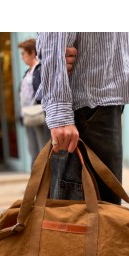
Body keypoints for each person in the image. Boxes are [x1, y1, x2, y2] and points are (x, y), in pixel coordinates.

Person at [37, 32, 129, 256]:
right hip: (87, 104)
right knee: (79, 216)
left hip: (101, 100)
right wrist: (60, 112)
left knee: (99, 211)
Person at [18, 39, 78, 167]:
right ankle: (36, 181)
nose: (22, 57)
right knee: (33, 150)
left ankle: (47, 182)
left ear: (32, 52)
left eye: (23, 53)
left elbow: (45, 91)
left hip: (40, 114)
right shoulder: (27, 73)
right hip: (29, 116)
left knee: (44, 150)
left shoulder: (40, 70)